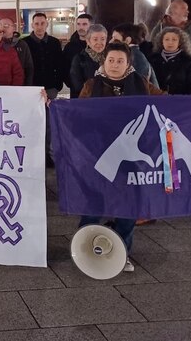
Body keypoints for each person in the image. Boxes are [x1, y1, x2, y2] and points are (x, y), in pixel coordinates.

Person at [78, 42, 165, 273]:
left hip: (131, 159)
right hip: (99, 156)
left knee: (128, 206)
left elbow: (170, 102)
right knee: (93, 203)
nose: (115, 65)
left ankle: (122, 252)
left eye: (120, 61)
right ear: (103, 62)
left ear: (128, 64)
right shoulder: (90, 86)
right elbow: (76, 115)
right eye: (111, 60)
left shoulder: (142, 85)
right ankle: (85, 249)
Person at [150, 0, 191, 73]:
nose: (187, 12)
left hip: (190, 74)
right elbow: (152, 51)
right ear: (173, 11)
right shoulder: (159, 29)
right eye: (183, 8)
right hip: (166, 75)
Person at [149, 27, 191, 95]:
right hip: (157, 101)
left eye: (174, 40)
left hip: (181, 101)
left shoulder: (189, 61)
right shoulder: (153, 59)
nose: (170, 42)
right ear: (162, 42)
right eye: (167, 39)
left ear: (180, 42)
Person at [24, 12, 63, 99]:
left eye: (42, 23)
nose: (40, 27)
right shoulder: (25, 43)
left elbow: (60, 65)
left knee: (50, 111)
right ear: (32, 25)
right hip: (31, 87)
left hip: (51, 87)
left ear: (47, 24)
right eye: (36, 24)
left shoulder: (55, 42)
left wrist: (58, 85)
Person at [111, 23, 159, 87]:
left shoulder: (135, 58)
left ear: (127, 40)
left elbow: (135, 86)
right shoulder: (133, 55)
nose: (111, 42)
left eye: (115, 39)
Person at [69, 24, 107, 98]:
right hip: (86, 99)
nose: (99, 43)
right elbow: (76, 84)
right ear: (88, 41)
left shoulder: (110, 58)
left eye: (102, 39)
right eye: (95, 39)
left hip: (107, 99)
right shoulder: (80, 59)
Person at [62, 13, 93, 90]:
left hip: (95, 88)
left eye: (84, 24)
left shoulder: (96, 45)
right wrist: (70, 83)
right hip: (75, 89)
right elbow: (64, 66)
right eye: (78, 24)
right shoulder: (70, 47)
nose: (81, 27)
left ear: (91, 26)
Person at [0, 16, 34, 85]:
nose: (3, 28)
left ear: (13, 28)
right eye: (1, 25)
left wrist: (28, 85)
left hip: (19, 84)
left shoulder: (22, 45)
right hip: (0, 85)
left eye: (6, 25)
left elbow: (29, 67)